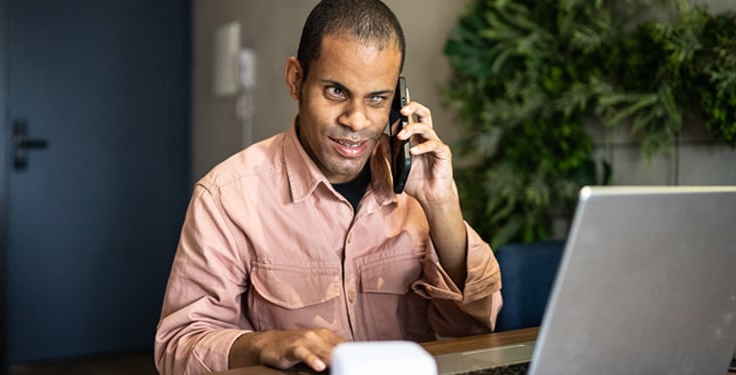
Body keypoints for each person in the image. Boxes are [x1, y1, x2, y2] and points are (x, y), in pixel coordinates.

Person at [154, 0, 502, 373]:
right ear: (295, 80)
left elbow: (475, 325)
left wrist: (441, 204)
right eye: (336, 91)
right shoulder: (225, 197)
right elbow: (178, 348)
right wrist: (268, 344)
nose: (357, 120)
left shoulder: (417, 188)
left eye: (377, 99)